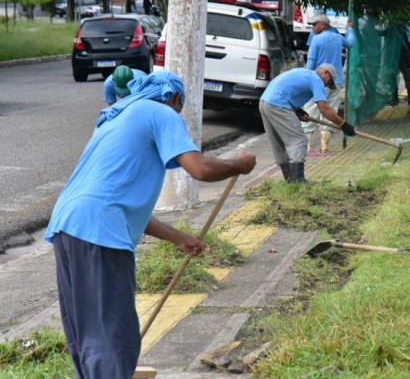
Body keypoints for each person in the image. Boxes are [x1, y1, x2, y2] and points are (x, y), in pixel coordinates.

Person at [45, 70, 256, 379]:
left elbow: (119, 201)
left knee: (87, 334)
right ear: (175, 98)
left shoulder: (120, 117)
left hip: (68, 227)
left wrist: (178, 237)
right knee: (115, 337)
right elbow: (199, 168)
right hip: (101, 232)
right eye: (181, 106)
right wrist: (239, 164)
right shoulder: (161, 112)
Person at [260, 65, 357, 183]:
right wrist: (343, 125)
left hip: (265, 101)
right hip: (278, 104)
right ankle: (297, 180)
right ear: (325, 72)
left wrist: (297, 111)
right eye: (329, 81)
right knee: (299, 140)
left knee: (280, 143)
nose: (326, 85)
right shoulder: (317, 80)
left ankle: (290, 181)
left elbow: (286, 90)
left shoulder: (303, 72)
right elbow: (324, 109)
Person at [301, 12, 355, 154]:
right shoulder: (338, 38)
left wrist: (306, 80)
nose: (312, 27)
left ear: (323, 25)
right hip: (335, 81)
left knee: (310, 111)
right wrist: (350, 30)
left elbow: (311, 63)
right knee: (330, 111)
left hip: (318, 81)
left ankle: (307, 148)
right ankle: (324, 148)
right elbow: (351, 43)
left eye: (314, 24)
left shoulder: (316, 40)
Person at [393, 30, 410, 106]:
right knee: (406, 77)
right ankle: (409, 99)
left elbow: (406, 44)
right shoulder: (397, 30)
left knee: (407, 77)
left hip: (400, 57)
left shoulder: (400, 30)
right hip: (397, 58)